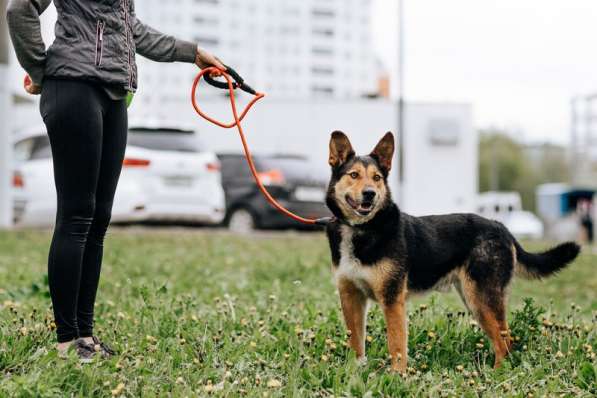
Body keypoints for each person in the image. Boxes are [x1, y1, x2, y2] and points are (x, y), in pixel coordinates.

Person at [6, 0, 225, 362]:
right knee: (76, 216)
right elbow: (20, 10)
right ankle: (66, 341)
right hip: (73, 87)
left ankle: (85, 336)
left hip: (112, 93)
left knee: (98, 219)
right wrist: (41, 71)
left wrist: (194, 53)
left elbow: (132, 30)